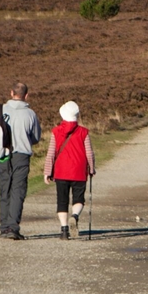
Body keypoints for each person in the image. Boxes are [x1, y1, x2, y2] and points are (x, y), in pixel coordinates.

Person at [0, 82, 42, 240]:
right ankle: (13, 227)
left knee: (4, 189)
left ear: (11, 93)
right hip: (22, 155)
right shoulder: (31, 114)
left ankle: (4, 227)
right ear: (26, 95)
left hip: (2, 155)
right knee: (18, 190)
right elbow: (35, 138)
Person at [43, 101, 95, 240]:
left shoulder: (56, 131)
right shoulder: (84, 132)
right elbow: (89, 153)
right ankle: (75, 216)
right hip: (79, 170)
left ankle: (64, 230)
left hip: (61, 171)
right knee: (79, 199)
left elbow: (51, 153)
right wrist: (92, 168)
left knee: (62, 201)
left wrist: (47, 171)